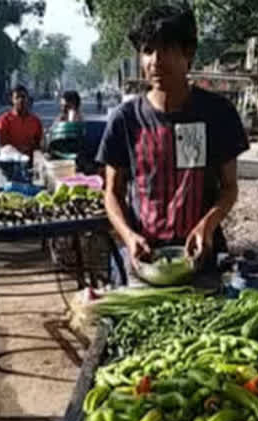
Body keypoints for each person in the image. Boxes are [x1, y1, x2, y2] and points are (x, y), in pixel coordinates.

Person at [97, 4, 249, 272]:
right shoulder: (125, 120)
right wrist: (129, 236)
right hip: (143, 261)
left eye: (165, 49)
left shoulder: (217, 114)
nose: (155, 61)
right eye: (147, 51)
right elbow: (112, 192)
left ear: (188, 53)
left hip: (201, 259)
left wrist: (207, 226)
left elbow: (229, 188)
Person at [0, 85, 43, 157]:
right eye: (17, 97)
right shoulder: (3, 120)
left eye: (23, 97)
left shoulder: (36, 121)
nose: (20, 100)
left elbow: (38, 144)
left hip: (31, 160)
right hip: (10, 159)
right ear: (12, 100)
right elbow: (3, 145)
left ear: (28, 99)